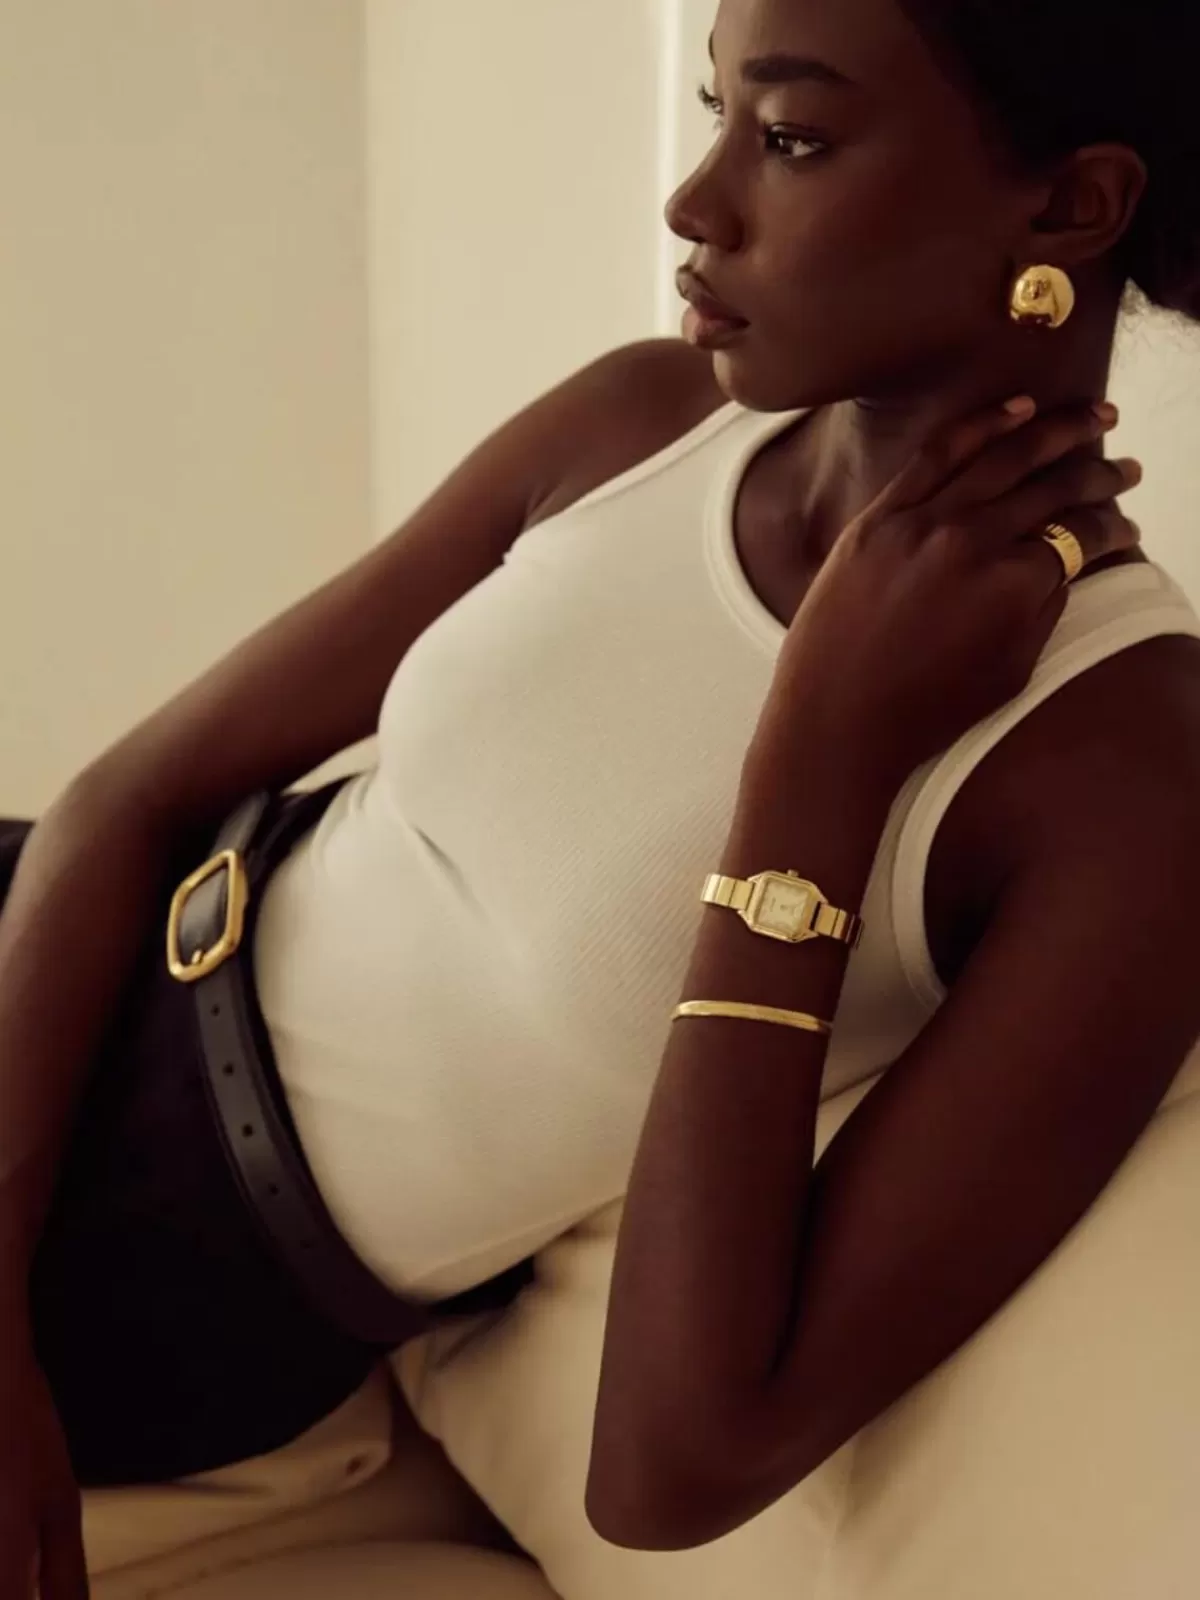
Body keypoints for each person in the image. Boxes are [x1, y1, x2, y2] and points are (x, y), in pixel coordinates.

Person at [3, 0, 1200, 1589]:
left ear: (1073, 207)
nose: (693, 201)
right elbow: (125, 795)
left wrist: (818, 763)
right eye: (715, 112)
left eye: (790, 138)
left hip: (172, 1310)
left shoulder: (1125, 772)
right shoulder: (644, 422)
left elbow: (670, 1467)